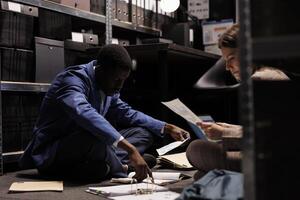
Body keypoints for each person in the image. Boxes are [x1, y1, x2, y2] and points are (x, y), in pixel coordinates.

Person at [19, 44, 189, 182]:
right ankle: (121, 168)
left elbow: (127, 113)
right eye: (117, 79)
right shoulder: (72, 80)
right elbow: (84, 113)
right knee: (95, 137)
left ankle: (105, 166)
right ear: (100, 69)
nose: (120, 86)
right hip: (54, 151)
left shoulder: (108, 87)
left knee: (143, 133)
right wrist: (130, 150)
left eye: (123, 80)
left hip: (90, 147)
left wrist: (166, 127)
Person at [186, 24, 289, 180]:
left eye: (231, 58)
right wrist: (229, 128)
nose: (228, 67)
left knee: (195, 149)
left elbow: (272, 137)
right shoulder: (273, 74)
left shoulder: (260, 79)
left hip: (275, 161)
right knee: (202, 174)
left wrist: (223, 133)